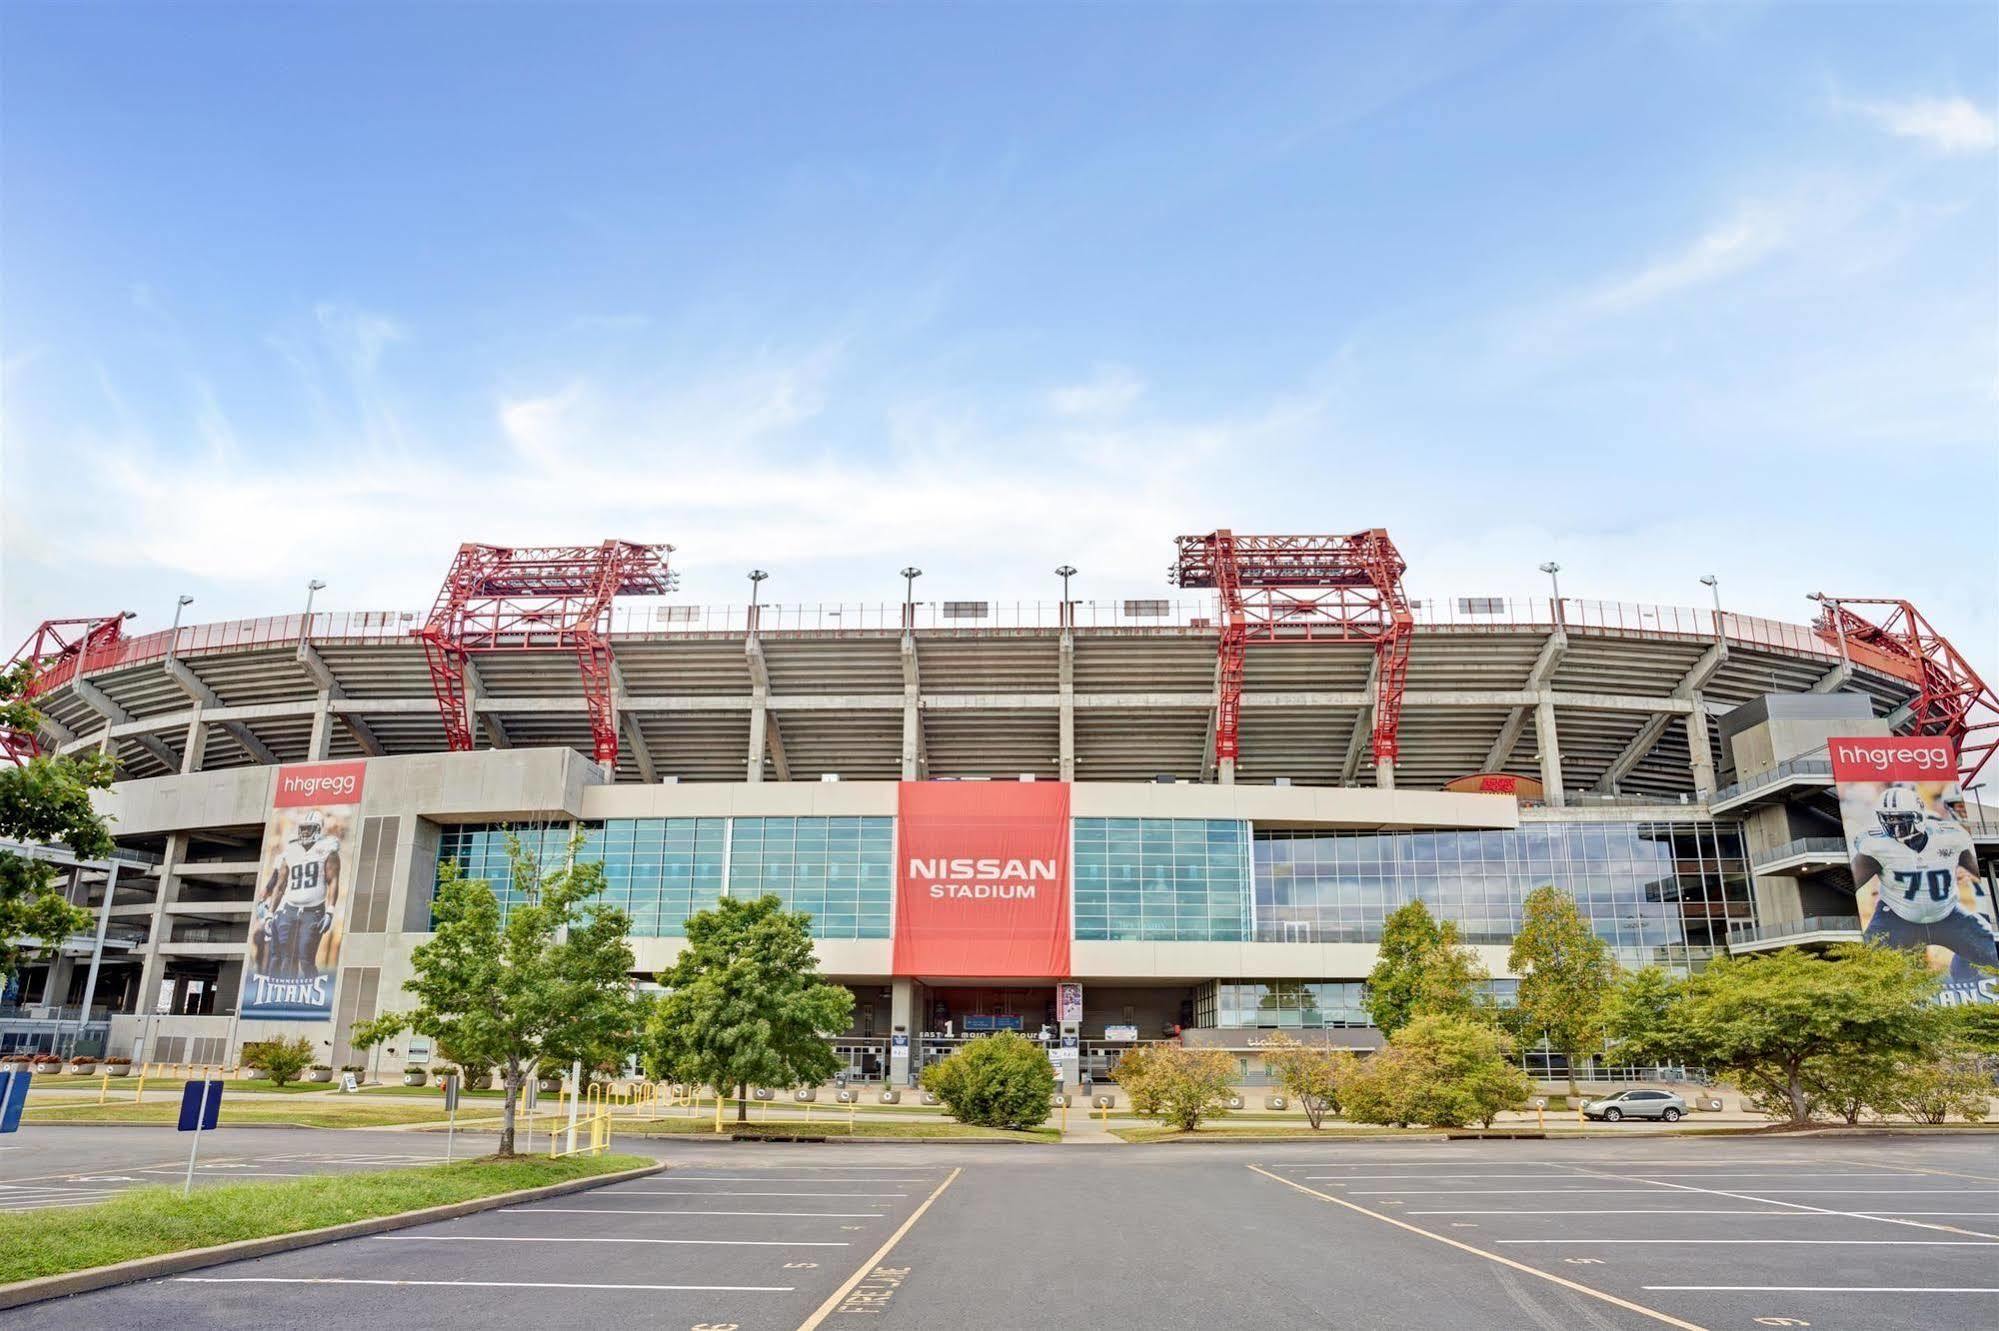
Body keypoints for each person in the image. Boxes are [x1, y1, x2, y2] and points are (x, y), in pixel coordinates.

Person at [1851, 786, 1996, 979]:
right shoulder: (1876, 846)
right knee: (1864, 969)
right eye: (1888, 818)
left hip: (1948, 914)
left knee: (1990, 952)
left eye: (1900, 819)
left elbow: (1977, 871)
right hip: (1896, 916)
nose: (1893, 825)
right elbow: (1852, 882)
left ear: (1918, 817)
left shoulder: (1949, 838)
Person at [255, 812, 343, 979]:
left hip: (313, 911)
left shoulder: (327, 848)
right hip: (289, 909)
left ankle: (312, 993)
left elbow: (332, 881)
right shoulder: (291, 850)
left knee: (306, 959)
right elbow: (279, 886)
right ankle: (281, 991)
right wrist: (269, 914)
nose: (304, 832)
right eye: (303, 829)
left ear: (318, 829)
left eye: (309, 829)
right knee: (284, 956)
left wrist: (330, 911)